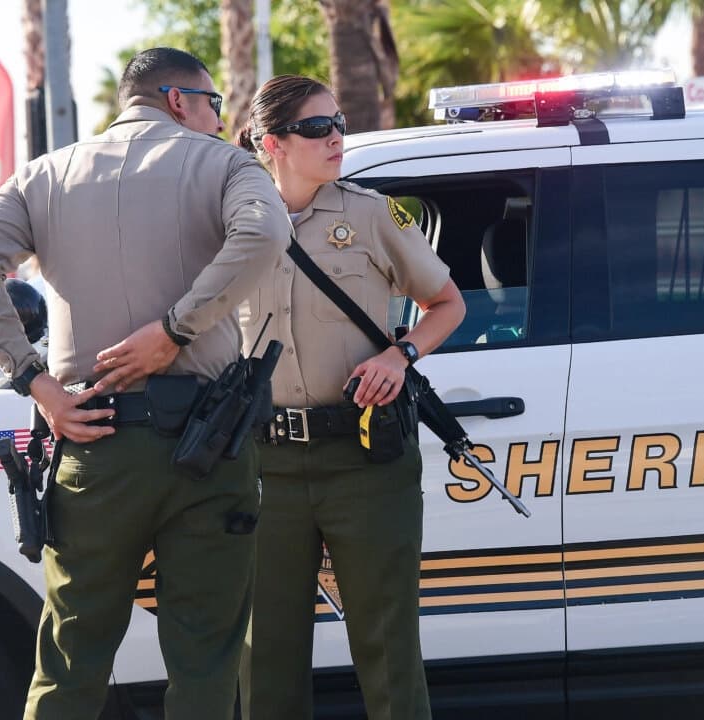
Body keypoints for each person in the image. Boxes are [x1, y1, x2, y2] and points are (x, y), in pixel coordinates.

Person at [0, 47, 291, 720]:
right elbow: (266, 231)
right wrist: (176, 331)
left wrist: (38, 385)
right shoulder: (224, 163)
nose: (219, 119)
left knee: (72, 657)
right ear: (177, 100)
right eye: (214, 102)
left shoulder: (46, 175)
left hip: (94, 441)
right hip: (208, 445)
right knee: (206, 659)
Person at [234, 75, 466, 720]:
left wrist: (402, 353)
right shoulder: (230, 223)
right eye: (316, 127)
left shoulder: (370, 212)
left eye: (338, 124)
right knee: (265, 654)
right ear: (270, 142)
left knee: (387, 645)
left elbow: (447, 303)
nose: (335, 137)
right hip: (264, 463)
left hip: (365, 458)